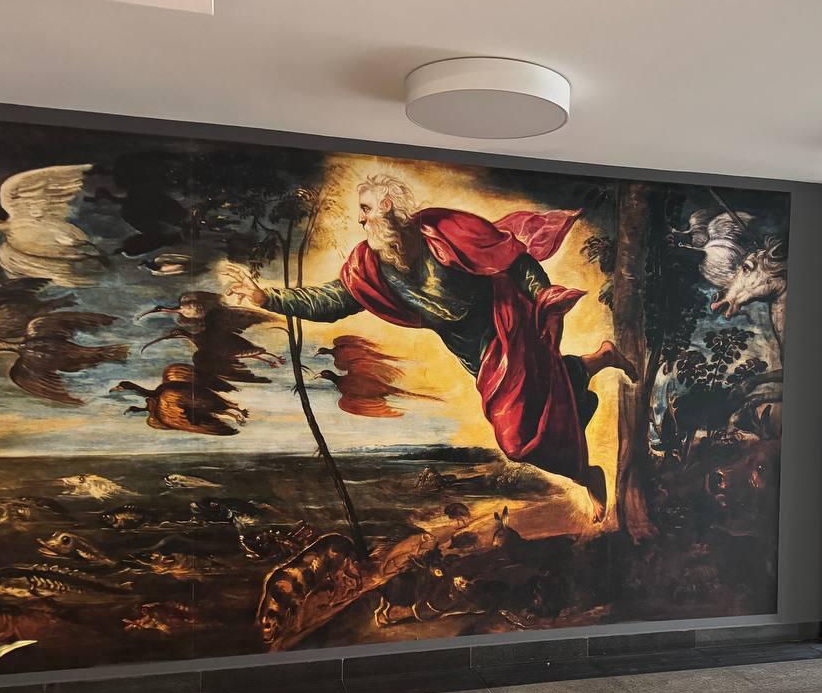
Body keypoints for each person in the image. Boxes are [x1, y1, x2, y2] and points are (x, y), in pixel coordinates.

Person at [225, 174, 637, 521]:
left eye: (366, 209)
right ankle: (601, 358)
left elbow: (513, 260)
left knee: (517, 438)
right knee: (541, 393)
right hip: (475, 354)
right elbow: (329, 301)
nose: (361, 218)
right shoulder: (370, 268)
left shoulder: (446, 232)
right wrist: (267, 297)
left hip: (508, 323)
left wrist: (542, 296)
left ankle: (586, 475)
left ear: (386, 205)